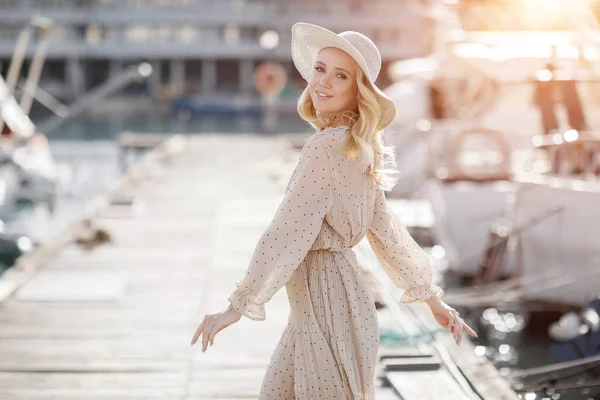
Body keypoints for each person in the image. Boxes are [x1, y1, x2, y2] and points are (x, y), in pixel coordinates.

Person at [191, 22, 477, 399]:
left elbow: (286, 231)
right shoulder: (357, 146)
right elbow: (387, 233)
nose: (323, 82)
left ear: (358, 91)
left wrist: (237, 306)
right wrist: (431, 300)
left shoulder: (327, 147)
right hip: (333, 305)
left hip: (327, 307)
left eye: (340, 76)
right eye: (320, 69)